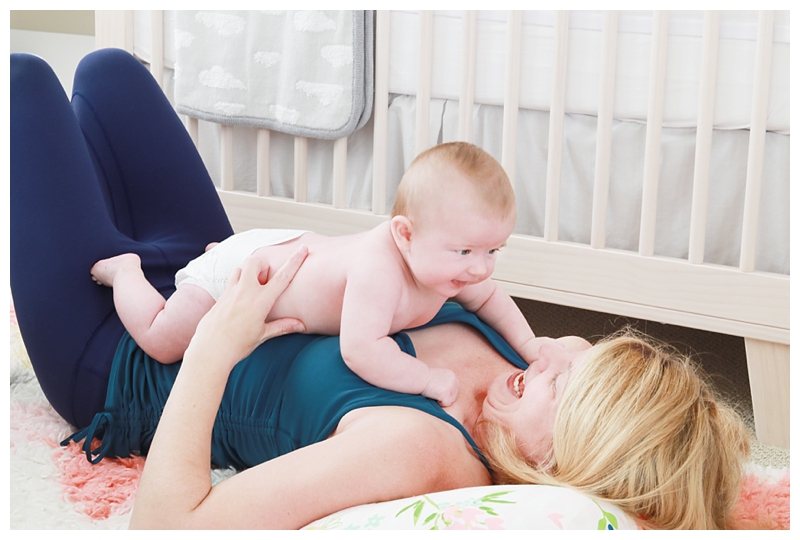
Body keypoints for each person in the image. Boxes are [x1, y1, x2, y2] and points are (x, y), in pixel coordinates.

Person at [11, 49, 750, 530]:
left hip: (126, 356)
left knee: (21, 83)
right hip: (214, 273)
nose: (556, 358)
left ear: (558, 467)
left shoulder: (418, 449)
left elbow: (168, 526)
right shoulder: (529, 375)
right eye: (577, 363)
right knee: (110, 70)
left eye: (565, 390)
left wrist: (212, 350)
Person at [89, 141, 545, 406]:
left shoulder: (446, 264)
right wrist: (426, 379)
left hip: (289, 250)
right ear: (404, 234)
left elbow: (489, 298)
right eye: (465, 251)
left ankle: (224, 249)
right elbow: (362, 350)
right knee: (163, 340)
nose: (480, 267)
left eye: (493, 250)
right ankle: (127, 272)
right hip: (243, 275)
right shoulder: (379, 271)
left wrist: (531, 345)